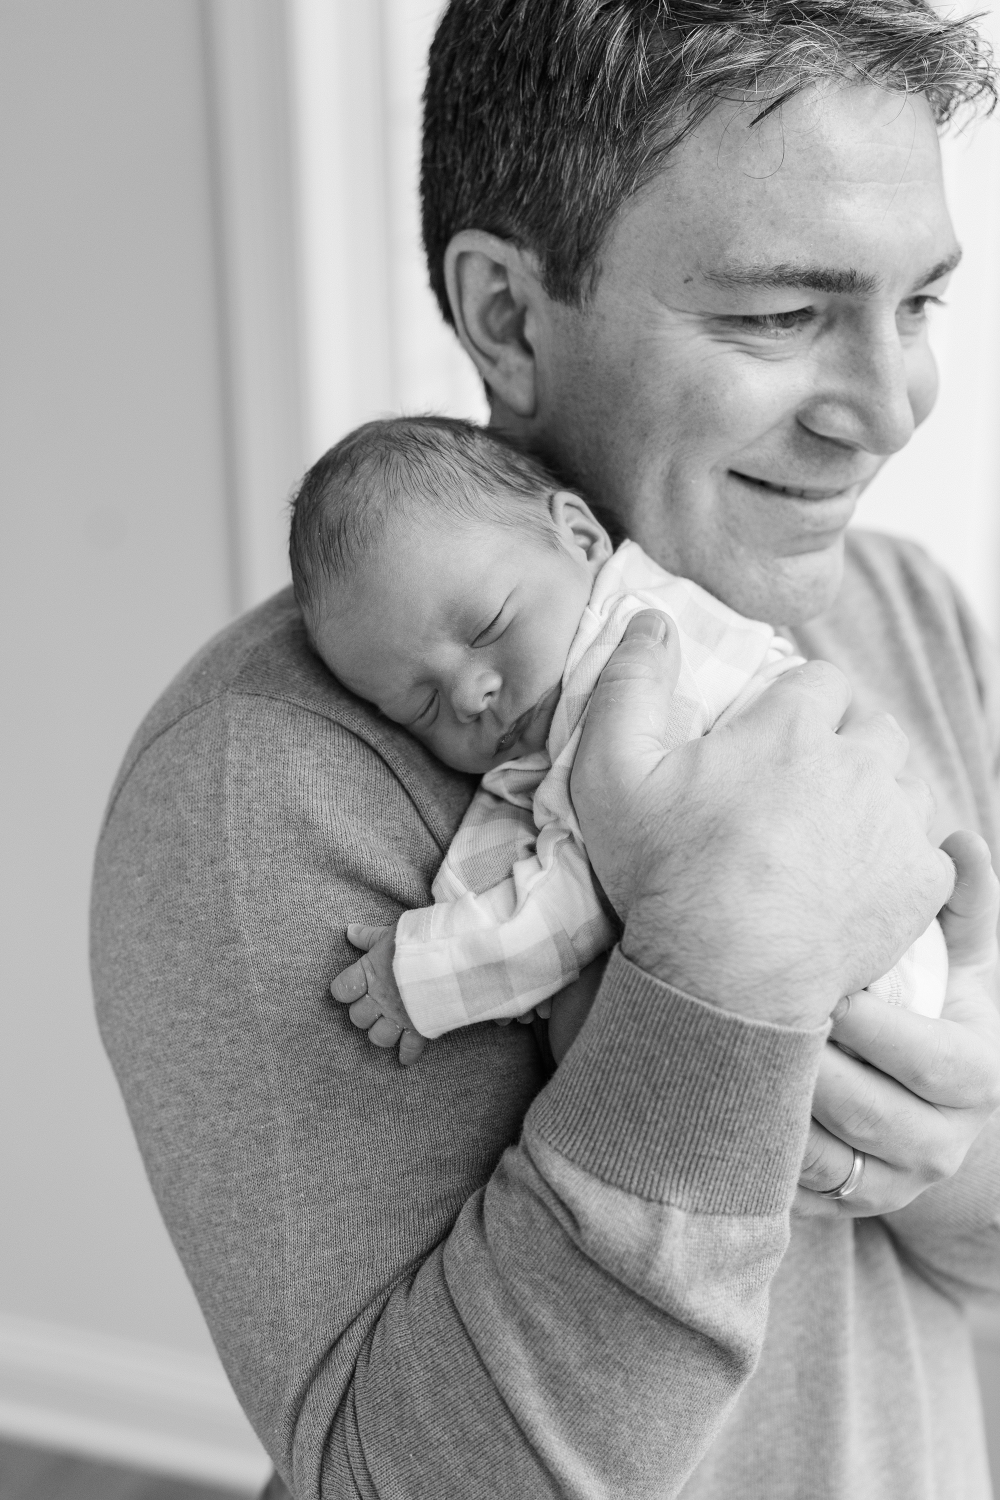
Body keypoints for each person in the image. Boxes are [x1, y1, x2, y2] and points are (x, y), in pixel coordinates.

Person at [91, 3, 1000, 1498]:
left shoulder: (903, 606)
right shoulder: (263, 779)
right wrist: (726, 963)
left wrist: (944, 1146)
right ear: (509, 313)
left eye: (923, 306)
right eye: (783, 315)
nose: (890, 408)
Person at [287, 413, 947, 1058]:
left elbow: (578, 899)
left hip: (853, 988)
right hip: (872, 978)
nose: (468, 695)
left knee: (587, 1023)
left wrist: (424, 979)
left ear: (579, 536)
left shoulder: (626, 661)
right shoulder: (577, 674)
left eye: (488, 626)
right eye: (420, 704)